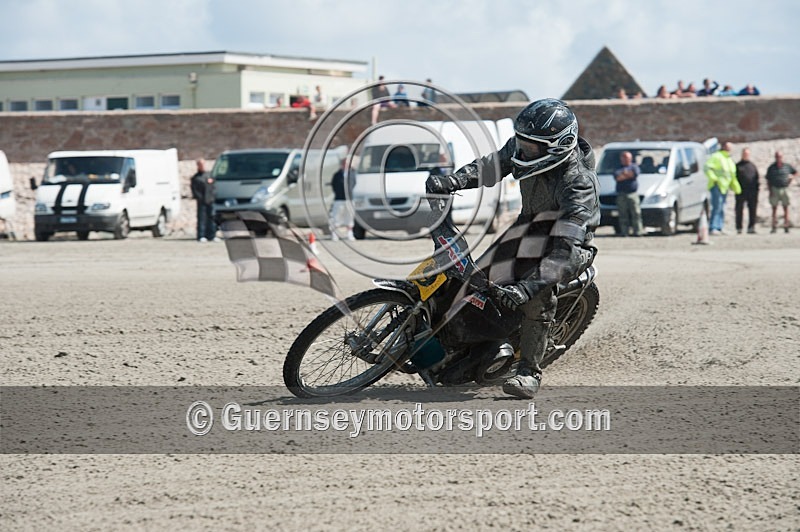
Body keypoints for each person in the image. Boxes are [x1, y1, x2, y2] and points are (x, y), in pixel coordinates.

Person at [426, 98, 600, 399]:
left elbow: (566, 250)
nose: (522, 150)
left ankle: (528, 372)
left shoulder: (578, 184)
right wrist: (455, 180)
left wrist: (529, 287)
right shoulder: (526, 145)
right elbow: (493, 165)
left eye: (530, 147)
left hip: (566, 245)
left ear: (558, 146)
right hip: (529, 228)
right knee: (474, 279)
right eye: (521, 142)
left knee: (536, 299)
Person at [704, 142, 741, 235]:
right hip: (717, 185)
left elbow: (731, 175)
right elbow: (707, 168)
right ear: (724, 147)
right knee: (717, 207)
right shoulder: (717, 156)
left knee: (722, 207)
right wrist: (714, 179)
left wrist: (736, 187)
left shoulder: (728, 159)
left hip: (725, 187)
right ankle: (713, 227)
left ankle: (719, 226)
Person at [765, 151, 797, 233]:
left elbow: (795, 172)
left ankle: (786, 225)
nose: (778, 158)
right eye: (777, 157)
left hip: (784, 188)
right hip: (774, 188)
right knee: (774, 208)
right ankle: (774, 226)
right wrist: (770, 190)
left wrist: (792, 178)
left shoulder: (787, 166)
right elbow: (768, 180)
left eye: (780, 156)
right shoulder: (771, 167)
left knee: (785, 207)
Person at [614, 151, 643, 236]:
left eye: (627, 158)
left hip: (632, 193)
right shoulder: (618, 168)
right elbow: (617, 178)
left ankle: (638, 231)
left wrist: (624, 175)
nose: (625, 159)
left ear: (630, 159)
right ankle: (624, 232)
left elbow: (634, 174)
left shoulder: (634, 167)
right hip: (621, 194)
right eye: (624, 158)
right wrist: (627, 175)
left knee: (636, 213)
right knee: (623, 214)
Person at [329, 157, 357, 241]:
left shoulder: (352, 173)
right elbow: (334, 185)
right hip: (339, 199)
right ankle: (335, 233)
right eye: (344, 163)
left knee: (349, 216)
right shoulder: (337, 174)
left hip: (349, 199)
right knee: (336, 216)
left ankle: (349, 233)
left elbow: (354, 183)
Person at [191, 159, 218, 242]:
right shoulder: (196, 178)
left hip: (210, 201)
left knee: (212, 218)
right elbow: (194, 190)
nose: (202, 166)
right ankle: (201, 235)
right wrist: (200, 198)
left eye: (203, 164)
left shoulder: (209, 176)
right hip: (202, 202)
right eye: (200, 165)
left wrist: (212, 197)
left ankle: (212, 236)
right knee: (202, 219)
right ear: (197, 166)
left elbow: (214, 187)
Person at [734, 148, 759, 234]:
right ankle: (739, 227)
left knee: (752, 209)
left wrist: (757, 190)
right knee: (739, 209)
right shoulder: (737, 166)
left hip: (752, 192)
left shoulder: (752, 166)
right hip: (740, 191)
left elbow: (756, 178)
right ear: (742, 154)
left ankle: (751, 227)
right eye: (745, 154)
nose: (746, 155)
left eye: (747, 154)